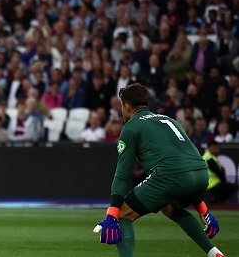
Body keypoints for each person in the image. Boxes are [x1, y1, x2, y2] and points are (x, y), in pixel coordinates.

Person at [95, 83, 224, 257]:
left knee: (123, 214)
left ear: (126, 106)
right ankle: (214, 253)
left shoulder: (131, 127)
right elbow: (186, 164)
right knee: (170, 208)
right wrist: (203, 210)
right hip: (201, 174)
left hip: (171, 175)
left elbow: (122, 174)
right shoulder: (170, 121)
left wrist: (112, 214)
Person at [202, 140, 238, 204]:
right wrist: (224, 180)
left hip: (208, 185)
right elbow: (218, 172)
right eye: (217, 147)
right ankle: (220, 201)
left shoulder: (206, 157)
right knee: (232, 187)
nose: (218, 149)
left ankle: (219, 200)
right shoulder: (209, 158)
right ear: (212, 147)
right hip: (212, 185)